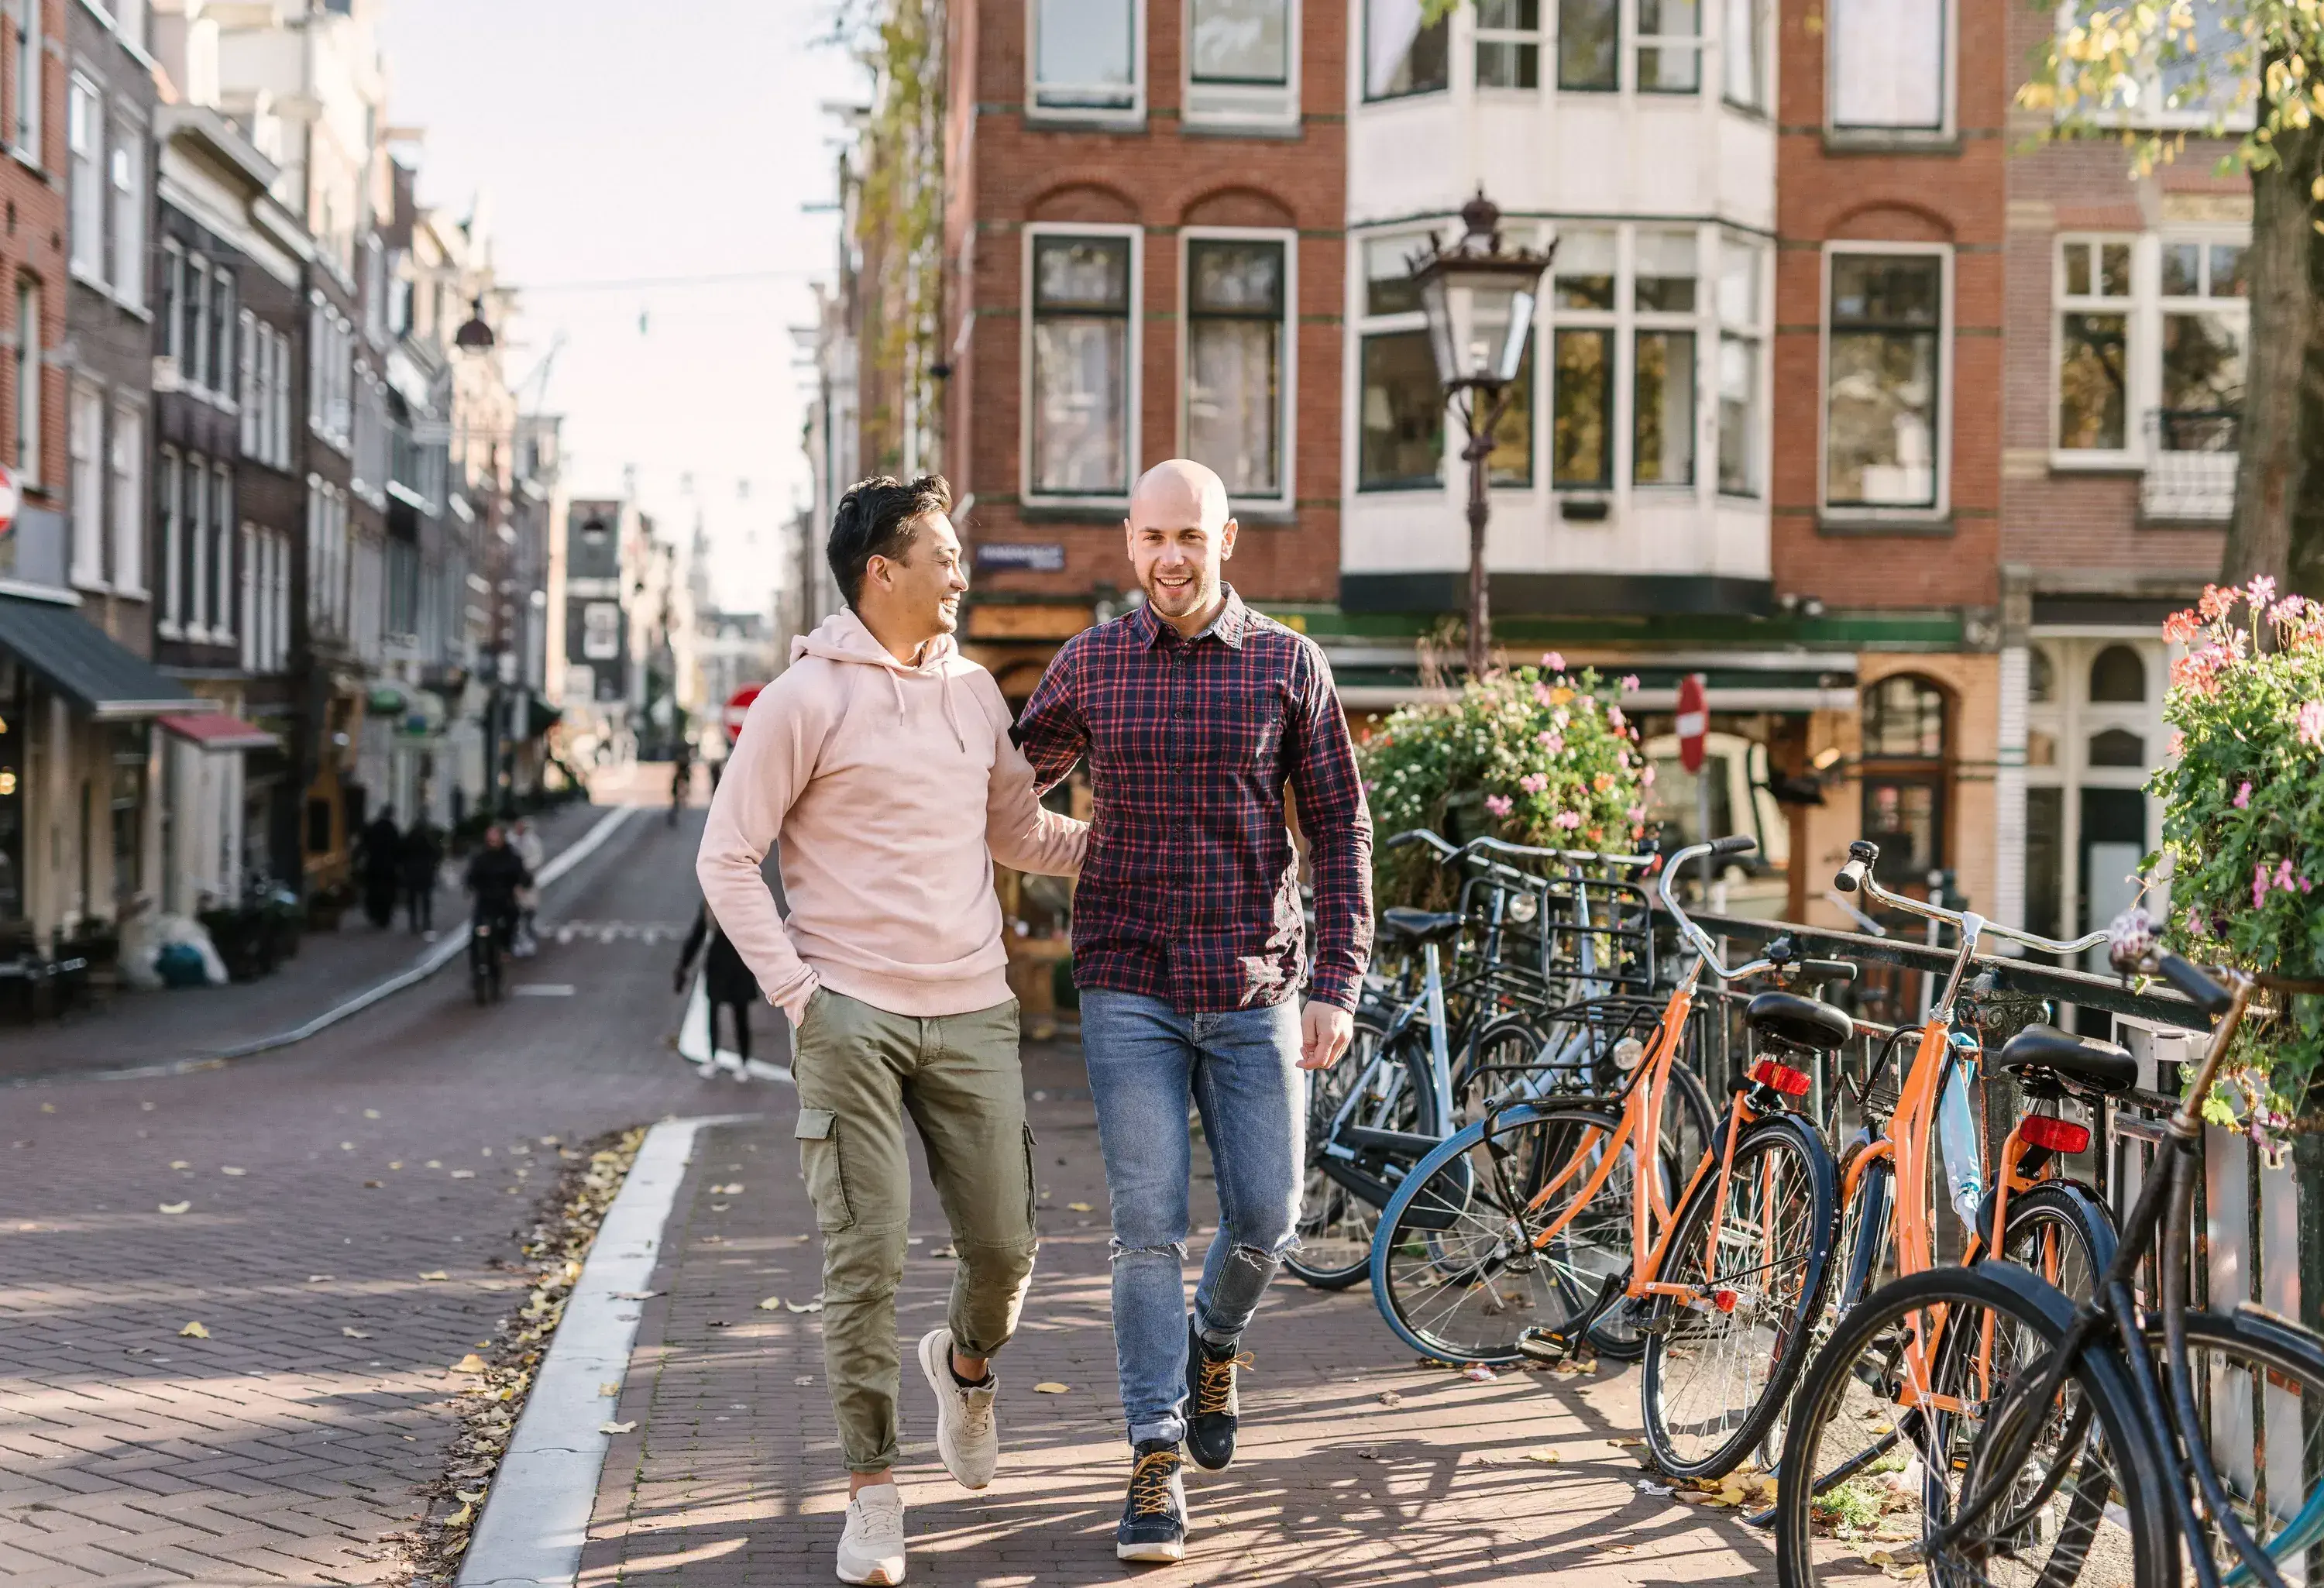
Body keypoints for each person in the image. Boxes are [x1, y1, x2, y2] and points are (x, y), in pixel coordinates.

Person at [696, 473, 1085, 1588]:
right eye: (946, 556)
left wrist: (1126, 844)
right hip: (849, 1012)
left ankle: (964, 1368)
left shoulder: (974, 695)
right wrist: (798, 992)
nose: (964, 573)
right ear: (884, 569)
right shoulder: (804, 698)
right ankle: (873, 1491)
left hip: (971, 1005)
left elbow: (1018, 832)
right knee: (864, 1257)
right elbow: (727, 854)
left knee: (1007, 1247)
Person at [1014, 459, 1372, 1565]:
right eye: (1153, 535)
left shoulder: (1286, 665)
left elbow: (1343, 834)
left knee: (1270, 1219)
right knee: (1146, 1227)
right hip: (1125, 981)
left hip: (1257, 983)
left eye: (1191, 536)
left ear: (1227, 543)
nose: (1170, 556)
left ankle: (1213, 1339)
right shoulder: (1090, 664)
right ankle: (1154, 1454)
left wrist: (1338, 985)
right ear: (1130, 540)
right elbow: (997, 780)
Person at [673, 896, 761, 1061]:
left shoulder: (732, 900)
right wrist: (682, 966)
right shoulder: (717, 901)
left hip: (735, 963)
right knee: (719, 1012)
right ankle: (716, 1058)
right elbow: (697, 935)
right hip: (726, 962)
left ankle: (742, 1060)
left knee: (738, 1014)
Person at [462, 824, 531, 971]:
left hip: (505, 902)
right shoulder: (481, 858)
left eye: (495, 839)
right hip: (485, 904)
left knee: (511, 920)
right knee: (478, 930)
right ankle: (476, 965)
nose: (492, 842)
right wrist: (470, 886)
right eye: (490, 839)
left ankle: (505, 947)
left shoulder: (511, 857)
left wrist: (524, 882)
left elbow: (521, 874)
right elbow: (472, 876)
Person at [359, 806, 402, 929]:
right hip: (388, 867)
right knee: (388, 892)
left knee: (373, 891)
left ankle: (375, 914)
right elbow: (398, 848)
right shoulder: (392, 829)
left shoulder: (374, 827)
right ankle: (385, 916)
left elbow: (365, 844)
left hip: (374, 865)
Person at [509, 816, 546, 955]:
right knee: (514, 913)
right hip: (512, 883)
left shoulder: (532, 841)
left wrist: (524, 867)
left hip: (527, 881)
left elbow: (538, 858)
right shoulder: (510, 840)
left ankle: (530, 939)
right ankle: (516, 941)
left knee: (529, 911)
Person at [401, 820, 442, 937]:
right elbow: (437, 853)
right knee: (426, 900)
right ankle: (426, 922)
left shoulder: (409, 839)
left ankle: (413, 923)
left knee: (412, 900)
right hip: (425, 873)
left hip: (412, 873)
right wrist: (433, 865)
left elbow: (401, 854)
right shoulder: (428, 840)